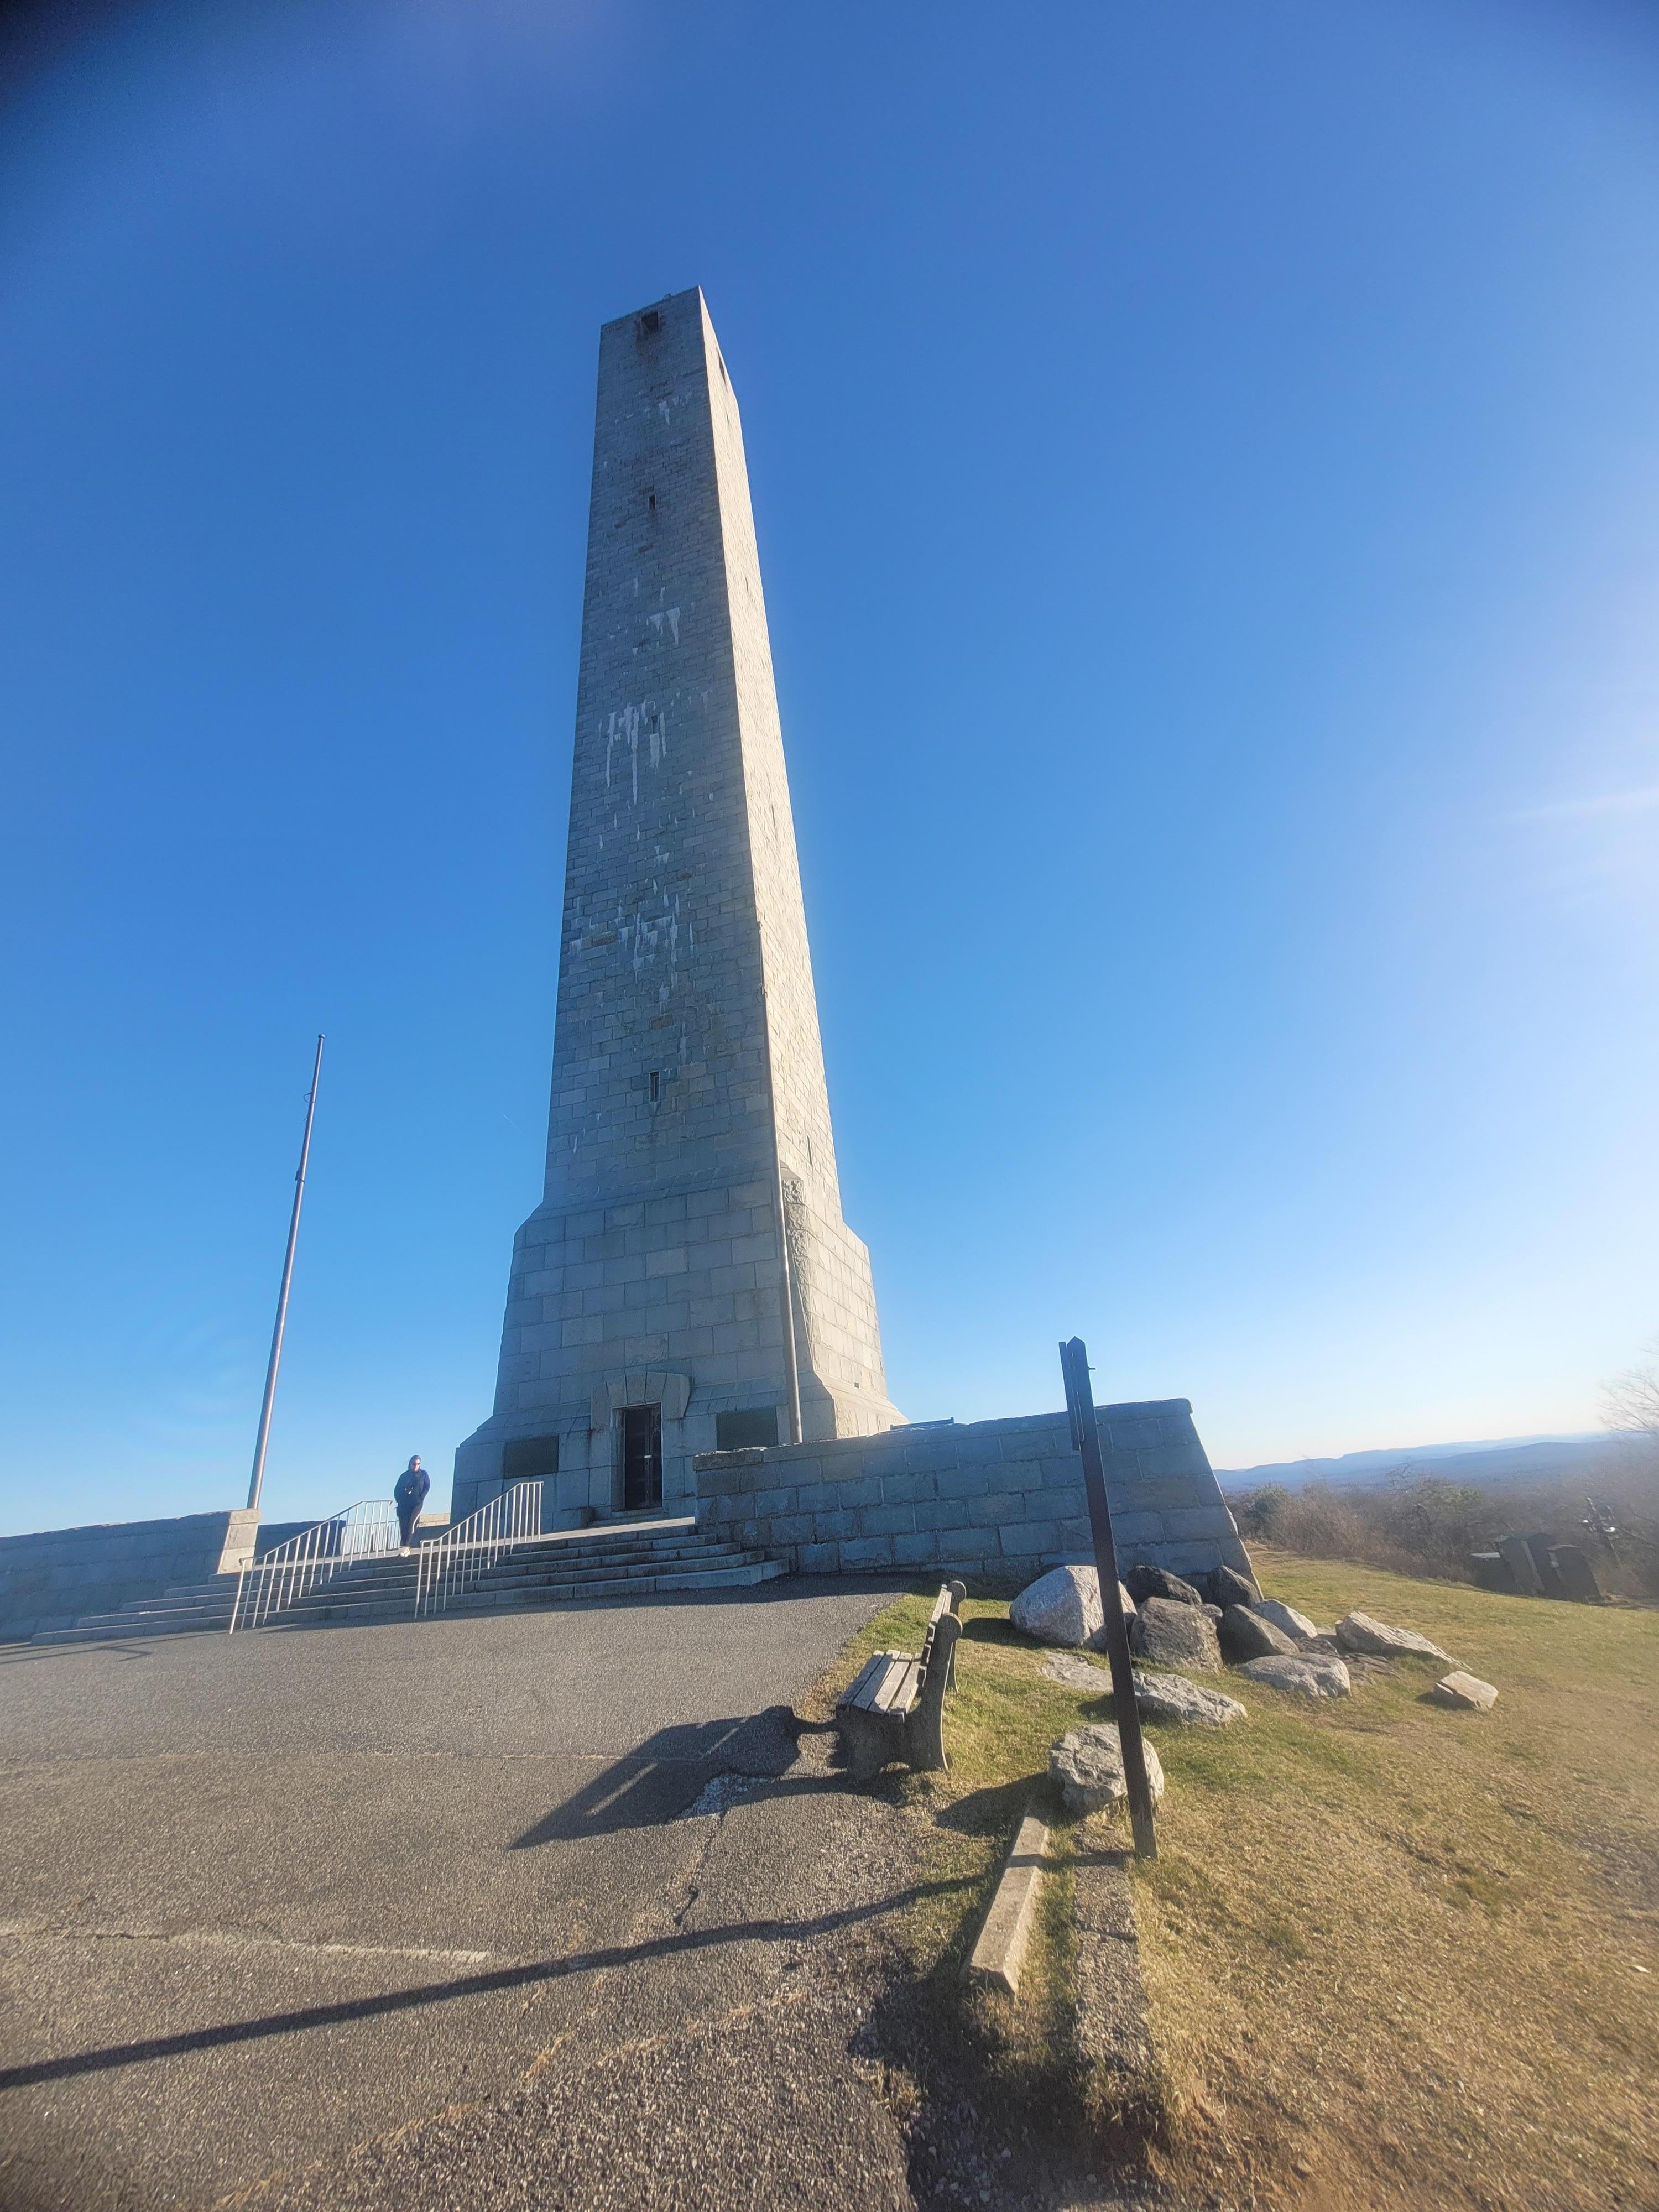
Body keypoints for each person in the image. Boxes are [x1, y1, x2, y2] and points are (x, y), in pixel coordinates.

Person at [394, 1457, 430, 1554]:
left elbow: (427, 1487)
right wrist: (400, 1499)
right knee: (404, 1523)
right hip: (404, 1504)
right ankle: (403, 1544)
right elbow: (397, 1489)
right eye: (414, 1464)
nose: (416, 1466)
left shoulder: (423, 1474)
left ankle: (407, 1546)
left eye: (418, 1464)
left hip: (417, 1503)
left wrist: (421, 1497)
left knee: (411, 1522)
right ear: (410, 1464)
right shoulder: (404, 1476)